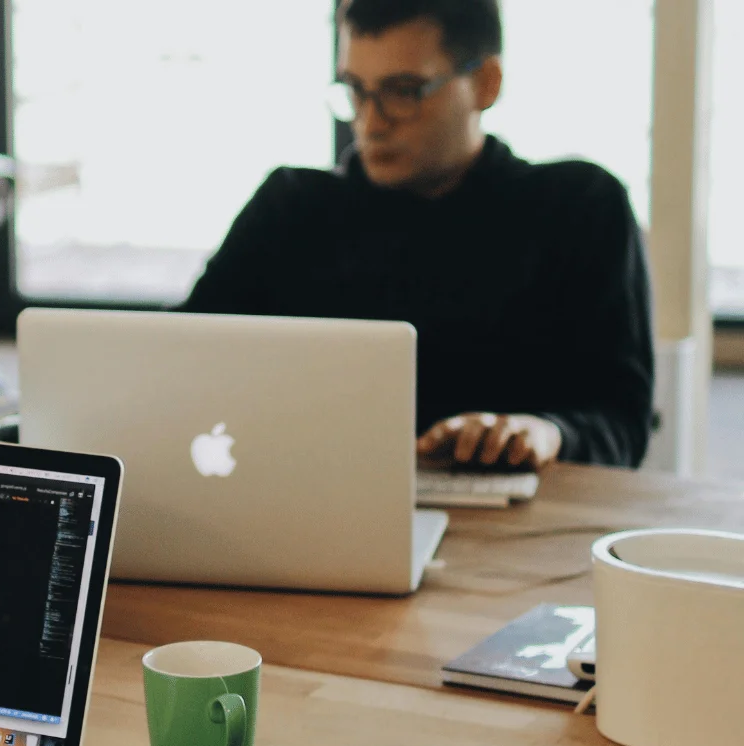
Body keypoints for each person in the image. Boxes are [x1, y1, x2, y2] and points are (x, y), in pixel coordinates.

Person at [179, 0, 654, 470]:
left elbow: (622, 423)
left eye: (403, 91)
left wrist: (546, 432)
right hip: (313, 508)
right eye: (355, 91)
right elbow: (178, 361)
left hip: (519, 527)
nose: (370, 121)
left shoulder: (579, 207)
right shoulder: (290, 207)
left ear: (486, 84)